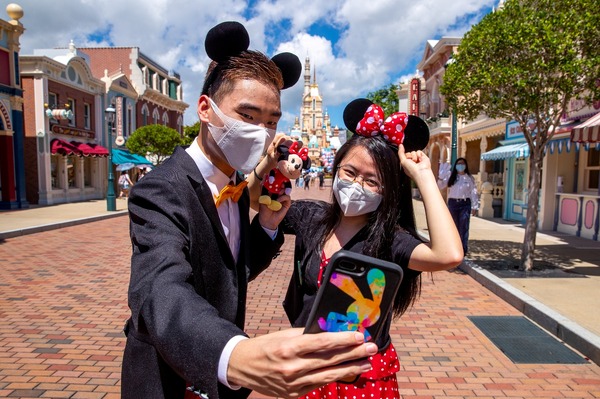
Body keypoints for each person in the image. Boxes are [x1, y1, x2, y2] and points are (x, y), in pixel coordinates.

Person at [121, 22, 376, 399]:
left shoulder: (237, 186)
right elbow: (158, 289)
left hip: (221, 386)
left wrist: (267, 229)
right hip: (168, 378)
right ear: (206, 109)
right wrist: (233, 354)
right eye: (247, 115)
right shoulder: (161, 187)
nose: (260, 130)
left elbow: (229, 273)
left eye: (271, 121)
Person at [255, 99, 463, 399]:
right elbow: (254, 201)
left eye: (372, 181)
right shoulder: (311, 218)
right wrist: (268, 162)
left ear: (388, 190)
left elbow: (449, 255)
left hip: (364, 375)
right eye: (350, 172)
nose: (356, 185)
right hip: (308, 364)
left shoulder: (391, 240)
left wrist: (423, 177)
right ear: (336, 168)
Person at [437, 157, 479, 256]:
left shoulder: (469, 178)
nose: (460, 165)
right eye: (458, 163)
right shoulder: (451, 176)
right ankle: (453, 248)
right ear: (455, 165)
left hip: (464, 204)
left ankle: (463, 249)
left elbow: (474, 193)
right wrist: (440, 177)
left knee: (463, 227)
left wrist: (475, 206)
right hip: (453, 203)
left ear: (465, 166)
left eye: (462, 164)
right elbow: (440, 186)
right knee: (453, 227)